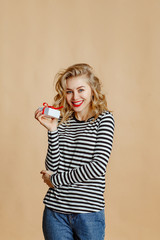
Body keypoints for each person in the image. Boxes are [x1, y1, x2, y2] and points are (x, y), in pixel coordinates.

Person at [34, 63, 115, 240]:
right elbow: (53, 165)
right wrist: (52, 131)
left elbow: (98, 167)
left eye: (81, 90)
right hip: (55, 212)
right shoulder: (63, 119)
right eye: (69, 91)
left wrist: (55, 180)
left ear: (92, 90)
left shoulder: (104, 119)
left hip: (88, 215)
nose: (75, 96)